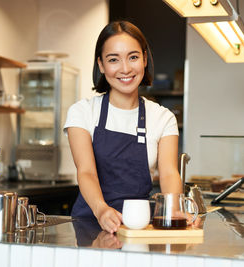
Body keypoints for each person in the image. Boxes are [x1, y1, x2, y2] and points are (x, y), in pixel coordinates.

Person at [63, 21, 182, 233]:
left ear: (145, 59)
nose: (125, 68)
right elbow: (86, 172)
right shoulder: (82, 112)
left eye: (133, 57)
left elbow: (168, 173)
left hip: (137, 225)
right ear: (101, 65)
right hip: (90, 223)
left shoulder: (162, 118)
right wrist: (101, 210)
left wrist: (173, 209)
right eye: (113, 60)